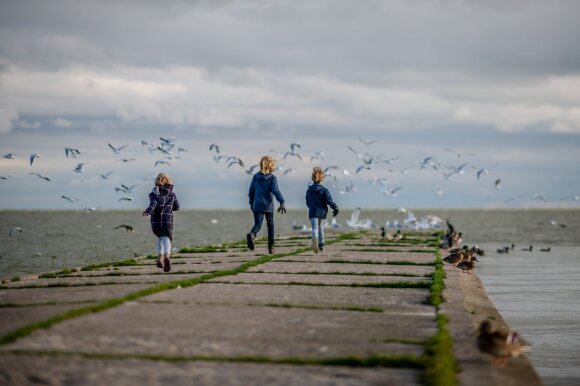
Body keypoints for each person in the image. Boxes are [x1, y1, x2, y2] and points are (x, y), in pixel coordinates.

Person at [247, 155, 286, 254]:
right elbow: (275, 191)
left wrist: (251, 203)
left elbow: (251, 192)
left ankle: (252, 234)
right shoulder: (272, 178)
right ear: (271, 166)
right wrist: (281, 201)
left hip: (257, 205)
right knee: (270, 224)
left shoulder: (255, 177)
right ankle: (271, 247)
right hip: (268, 206)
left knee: (257, 225)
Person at [143, 173, 180, 272]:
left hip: (156, 222)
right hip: (167, 221)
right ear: (168, 181)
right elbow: (177, 207)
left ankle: (160, 259)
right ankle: (166, 257)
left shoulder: (153, 194)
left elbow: (153, 204)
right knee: (166, 239)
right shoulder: (172, 194)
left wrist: (148, 211)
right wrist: (169, 207)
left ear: (156, 181)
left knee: (161, 238)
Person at [306, 167, 339, 253]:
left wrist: (311, 207)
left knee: (314, 228)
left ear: (313, 178)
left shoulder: (309, 190)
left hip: (313, 211)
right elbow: (329, 201)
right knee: (320, 226)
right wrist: (335, 208)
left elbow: (307, 202)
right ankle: (321, 245)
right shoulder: (324, 190)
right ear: (322, 178)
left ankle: (314, 239)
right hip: (322, 212)